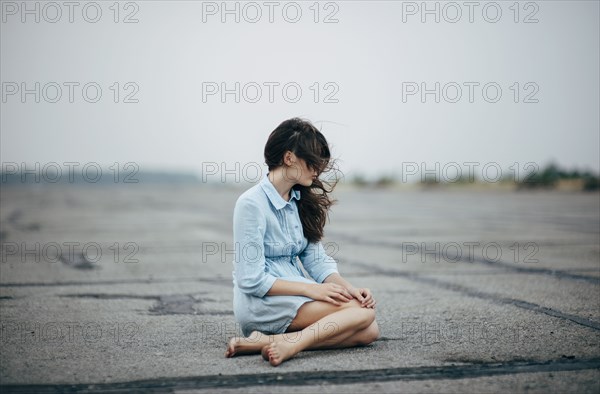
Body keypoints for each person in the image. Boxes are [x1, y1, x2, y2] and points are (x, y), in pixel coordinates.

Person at [225, 118, 379, 366]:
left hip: (296, 295)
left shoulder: (298, 201)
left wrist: (348, 287)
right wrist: (312, 289)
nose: (317, 170)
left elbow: (316, 260)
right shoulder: (251, 204)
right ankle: (291, 343)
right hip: (262, 303)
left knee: (369, 331)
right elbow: (250, 279)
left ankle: (268, 341)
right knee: (363, 315)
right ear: (289, 158)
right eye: (312, 162)